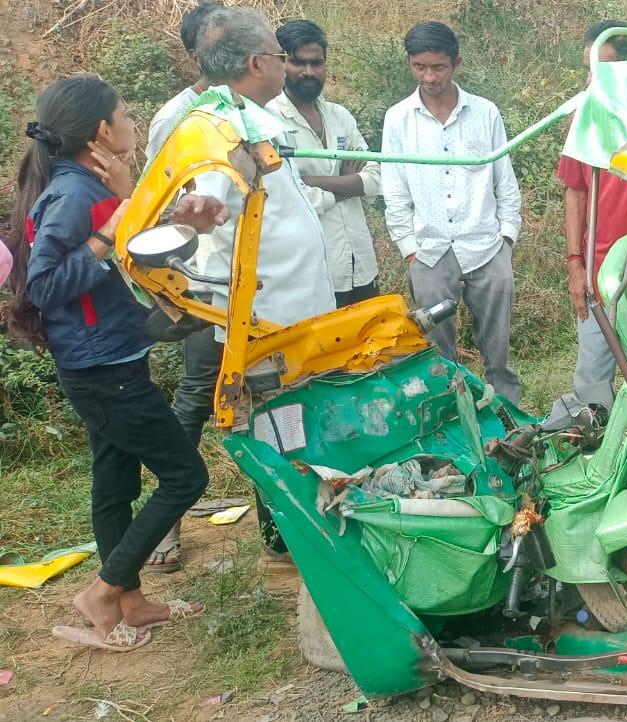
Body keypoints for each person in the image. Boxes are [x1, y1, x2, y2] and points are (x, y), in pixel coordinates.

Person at [2, 77, 214, 650]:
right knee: (187, 476)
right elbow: (44, 284)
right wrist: (109, 227)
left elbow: (136, 246)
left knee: (115, 481)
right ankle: (104, 590)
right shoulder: (74, 195)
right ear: (101, 130)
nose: (132, 121)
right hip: (102, 370)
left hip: (108, 359)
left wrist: (135, 204)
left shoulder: (86, 184)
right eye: (125, 114)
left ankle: (131, 602)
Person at [179, 7, 340, 564]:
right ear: (256, 63)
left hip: (298, 318)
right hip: (269, 324)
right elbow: (210, 198)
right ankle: (286, 544)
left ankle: (306, 530)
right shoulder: (220, 128)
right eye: (278, 54)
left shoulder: (250, 115)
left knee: (301, 427)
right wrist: (201, 206)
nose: (285, 64)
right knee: (280, 431)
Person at [383, 21, 524, 405]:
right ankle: (451, 414)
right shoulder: (398, 119)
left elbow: (504, 180)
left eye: (439, 67)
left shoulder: (484, 112)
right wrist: (409, 249)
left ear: (456, 63)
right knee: (436, 349)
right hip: (428, 251)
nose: (429, 77)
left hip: (486, 245)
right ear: (410, 64)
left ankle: (507, 415)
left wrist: (506, 238)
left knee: (497, 348)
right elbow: (393, 188)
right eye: (420, 67)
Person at [545, 21, 627, 429]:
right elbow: (575, 192)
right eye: (588, 71)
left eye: (602, 71)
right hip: (599, 270)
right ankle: (596, 442)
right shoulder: (586, 114)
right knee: (594, 375)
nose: (592, 82)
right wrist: (574, 265)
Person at [143, 0, 222, 575]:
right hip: (205, 283)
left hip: (256, 281)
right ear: (196, 53)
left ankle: (284, 520)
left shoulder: (242, 107)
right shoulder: (177, 117)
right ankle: (166, 521)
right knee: (197, 393)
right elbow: (155, 204)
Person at [268, 19, 383, 308]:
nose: (309, 71)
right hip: (311, 275)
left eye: (317, 62)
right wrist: (345, 188)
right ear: (280, 63)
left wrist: (313, 182)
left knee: (369, 350)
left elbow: (376, 176)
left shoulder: (339, 116)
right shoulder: (268, 122)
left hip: (360, 265)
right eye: (298, 62)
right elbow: (287, 196)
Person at [146, 1, 222, 161]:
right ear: (196, 57)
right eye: (221, 45)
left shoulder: (249, 102)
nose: (235, 50)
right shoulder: (172, 119)